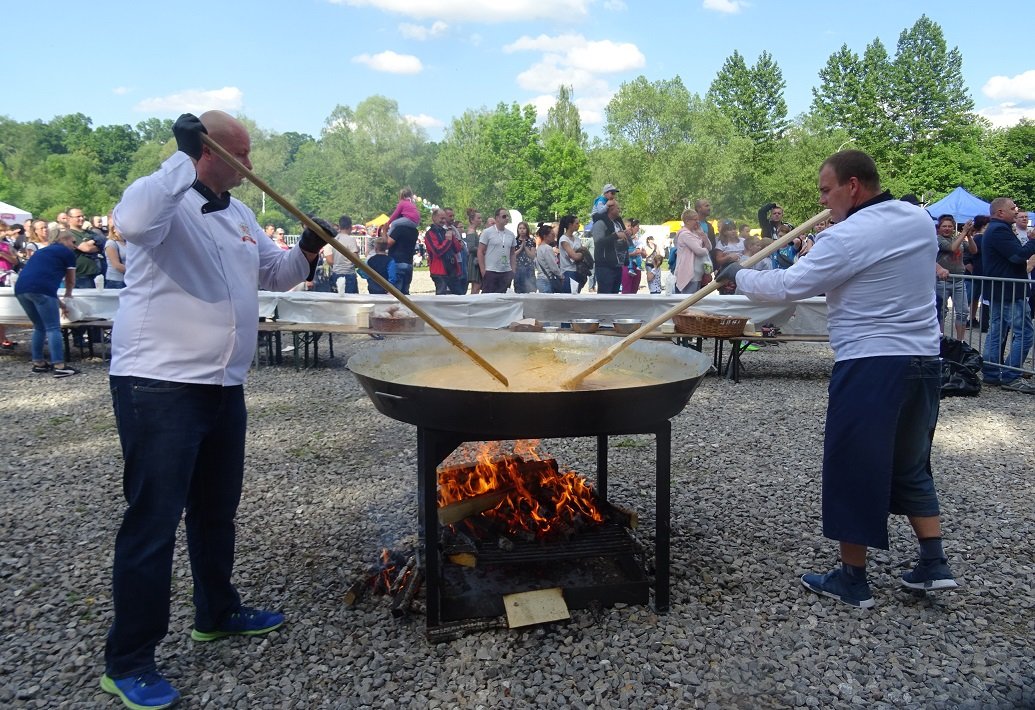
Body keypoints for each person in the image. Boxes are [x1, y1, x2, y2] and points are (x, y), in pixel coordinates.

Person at [102, 111, 320, 709]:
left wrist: (307, 248)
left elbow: (271, 273)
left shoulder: (242, 213)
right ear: (208, 150)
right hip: (159, 385)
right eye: (242, 155)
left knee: (216, 510)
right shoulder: (162, 201)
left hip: (225, 384)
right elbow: (133, 221)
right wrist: (180, 154)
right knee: (153, 521)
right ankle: (129, 659)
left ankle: (216, 610)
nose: (252, 167)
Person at [717, 149, 957, 608]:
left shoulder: (848, 236)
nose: (823, 201)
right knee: (910, 464)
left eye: (827, 190)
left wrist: (740, 276)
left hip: (872, 364)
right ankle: (933, 562)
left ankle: (852, 578)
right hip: (925, 360)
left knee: (853, 466)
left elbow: (790, 285)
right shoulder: (917, 219)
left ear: (853, 186)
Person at [980, 197, 1035, 393]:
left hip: (1000, 290)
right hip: (1009, 292)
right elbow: (1017, 256)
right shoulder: (999, 230)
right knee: (1025, 333)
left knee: (997, 332)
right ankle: (1011, 376)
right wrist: (1033, 241)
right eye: (1012, 208)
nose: (1016, 210)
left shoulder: (995, 229)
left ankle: (992, 374)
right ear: (1000, 212)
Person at [13, 230, 79, 377]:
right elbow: (70, 280)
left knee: (39, 326)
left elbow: (40, 280)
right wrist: (68, 295)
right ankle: (59, 366)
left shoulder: (42, 252)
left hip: (21, 289)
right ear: (65, 240)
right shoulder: (66, 253)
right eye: (73, 242)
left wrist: (61, 304)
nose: (75, 246)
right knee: (53, 328)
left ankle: (38, 363)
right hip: (42, 290)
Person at [934, 214, 975, 340]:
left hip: (959, 280)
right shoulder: (938, 239)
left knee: (963, 312)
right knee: (941, 311)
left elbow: (973, 250)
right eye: (944, 226)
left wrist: (968, 235)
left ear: (953, 228)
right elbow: (952, 248)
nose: (947, 228)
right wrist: (963, 232)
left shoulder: (958, 238)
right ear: (939, 228)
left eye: (950, 226)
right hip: (942, 281)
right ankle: (940, 340)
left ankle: (960, 342)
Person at [425, 208, 465, 295]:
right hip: (439, 271)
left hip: (452, 269)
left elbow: (457, 249)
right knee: (442, 297)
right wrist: (448, 240)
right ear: (434, 218)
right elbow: (437, 251)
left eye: (444, 218)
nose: (444, 221)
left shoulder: (446, 231)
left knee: (459, 295)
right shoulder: (430, 233)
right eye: (441, 218)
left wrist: (455, 240)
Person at [590, 200, 627, 294]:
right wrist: (615, 236)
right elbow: (598, 243)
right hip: (604, 266)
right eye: (617, 208)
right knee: (605, 296)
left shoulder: (618, 224)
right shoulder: (600, 223)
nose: (619, 210)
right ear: (611, 209)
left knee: (615, 297)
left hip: (617, 265)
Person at [673, 208, 711, 295]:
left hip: (698, 272)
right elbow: (699, 251)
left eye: (698, 219)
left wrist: (701, 234)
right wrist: (706, 250)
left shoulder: (695, 233)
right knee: (688, 300)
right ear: (687, 221)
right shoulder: (684, 234)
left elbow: (709, 246)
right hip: (689, 273)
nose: (698, 222)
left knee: (695, 301)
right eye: (695, 219)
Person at [478, 208, 516, 293]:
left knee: (503, 299)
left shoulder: (511, 234)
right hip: (491, 271)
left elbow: (512, 253)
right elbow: (480, 251)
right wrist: (483, 270)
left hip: (506, 271)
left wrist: (513, 270)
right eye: (504, 216)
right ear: (497, 218)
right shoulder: (487, 232)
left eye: (507, 216)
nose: (507, 218)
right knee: (488, 299)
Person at [325, 215, 359, 294]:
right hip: (348, 274)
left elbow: (330, 259)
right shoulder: (350, 240)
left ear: (339, 226)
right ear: (350, 226)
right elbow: (355, 259)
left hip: (336, 273)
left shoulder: (334, 240)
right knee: (351, 301)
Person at [557, 214, 583, 294]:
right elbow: (574, 256)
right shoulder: (564, 239)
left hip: (578, 271)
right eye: (576, 223)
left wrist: (579, 254)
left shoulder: (577, 239)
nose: (578, 225)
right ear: (570, 225)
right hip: (568, 271)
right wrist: (581, 254)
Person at [534, 223, 563, 293]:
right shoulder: (548, 248)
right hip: (547, 280)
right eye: (552, 234)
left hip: (540, 279)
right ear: (545, 236)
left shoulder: (539, 248)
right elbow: (553, 266)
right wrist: (561, 276)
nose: (554, 236)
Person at [621, 218, 645, 294]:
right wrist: (632, 254)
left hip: (637, 265)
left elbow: (644, 254)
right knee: (627, 289)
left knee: (634, 288)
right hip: (627, 265)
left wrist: (642, 252)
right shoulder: (622, 238)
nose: (638, 228)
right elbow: (620, 254)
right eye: (636, 226)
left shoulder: (638, 239)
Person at [513, 221, 537, 293]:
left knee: (531, 290)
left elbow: (533, 256)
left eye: (524, 228)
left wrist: (525, 247)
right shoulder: (514, 241)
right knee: (519, 290)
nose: (522, 230)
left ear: (527, 229)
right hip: (518, 269)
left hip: (529, 269)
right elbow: (512, 255)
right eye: (520, 228)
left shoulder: (531, 241)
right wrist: (520, 248)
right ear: (517, 230)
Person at [463, 209, 483, 294]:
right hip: (474, 261)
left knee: (477, 285)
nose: (480, 220)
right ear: (472, 220)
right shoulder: (471, 231)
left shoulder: (473, 231)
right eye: (478, 218)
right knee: (476, 286)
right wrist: (482, 250)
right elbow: (471, 248)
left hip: (476, 259)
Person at [104, 224, 128, 289]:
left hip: (128, 279)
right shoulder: (111, 243)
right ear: (114, 229)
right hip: (116, 281)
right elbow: (116, 265)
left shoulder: (127, 243)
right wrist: (134, 271)